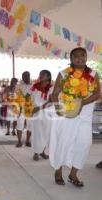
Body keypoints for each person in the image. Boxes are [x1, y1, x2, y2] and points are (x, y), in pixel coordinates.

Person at [50, 47, 100, 187]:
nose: (80, 58)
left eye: (83, 55)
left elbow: (97, 94)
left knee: (84, 143)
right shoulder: (64, 74)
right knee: (63, 142)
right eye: (76, 56)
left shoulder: (93, 74)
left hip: (84, 114)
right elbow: (54, 94)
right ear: (71, 59)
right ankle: (58, 170)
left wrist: (81, 103)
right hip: (67, 114)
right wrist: (58, 109)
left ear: (86, 57)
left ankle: (73, 174)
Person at [29, 70, 53, 161]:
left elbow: (51, 102)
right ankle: (36, 153)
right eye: (40, 74)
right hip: (36, 113)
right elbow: (29, 97)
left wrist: (39, 108)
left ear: (48, 77)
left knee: (46, 133)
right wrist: (29, 106)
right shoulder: (35, 87)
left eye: (43, 74)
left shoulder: (51, 88)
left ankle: (42, 151)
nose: (40, 75)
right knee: (36, 133)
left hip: (47, 113)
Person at [16, 72, 32, 147]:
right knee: (19, 124)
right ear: (22, 77)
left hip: (30, 108)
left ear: (29, 76)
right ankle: (19, 141)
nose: (25, 78)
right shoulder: (18, 86)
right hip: (20, 108)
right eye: (23, 76)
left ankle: (27, 141)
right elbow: (16, 97)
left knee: (30, 125)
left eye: (26, 76)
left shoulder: (33, 85)